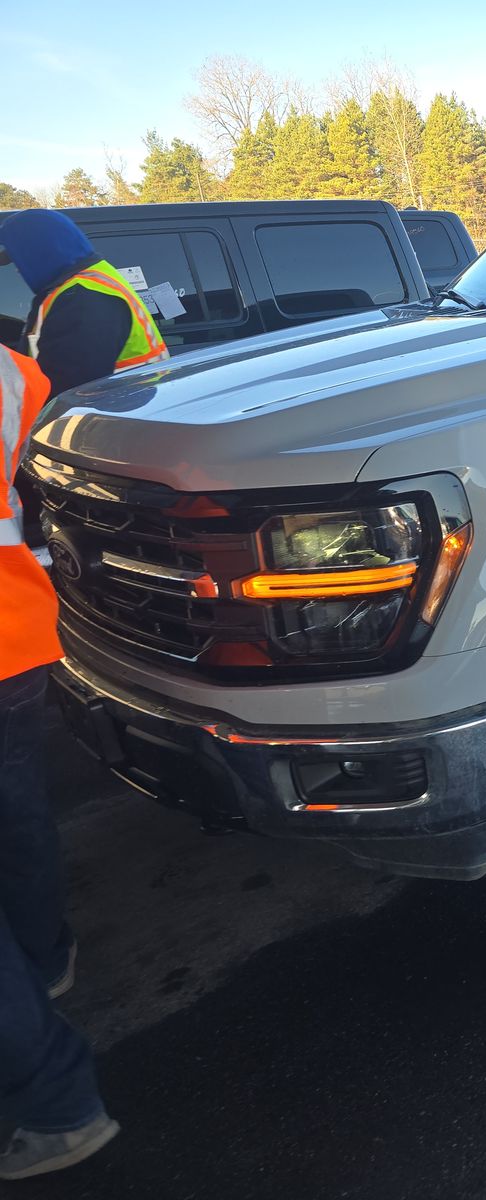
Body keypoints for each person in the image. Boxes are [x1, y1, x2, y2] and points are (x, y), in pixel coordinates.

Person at [0, 345, 118, 1180]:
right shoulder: (10, 367)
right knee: (17, 813)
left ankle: (55, 1097)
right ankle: (45, 959)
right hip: (13, 631)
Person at [0, 209, 167, 400]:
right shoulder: (84, 283)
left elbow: (63, 392)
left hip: (115, 418)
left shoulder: (83, 299)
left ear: (39, 253)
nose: (18, 271)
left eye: (20, 261)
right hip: (127, 413)